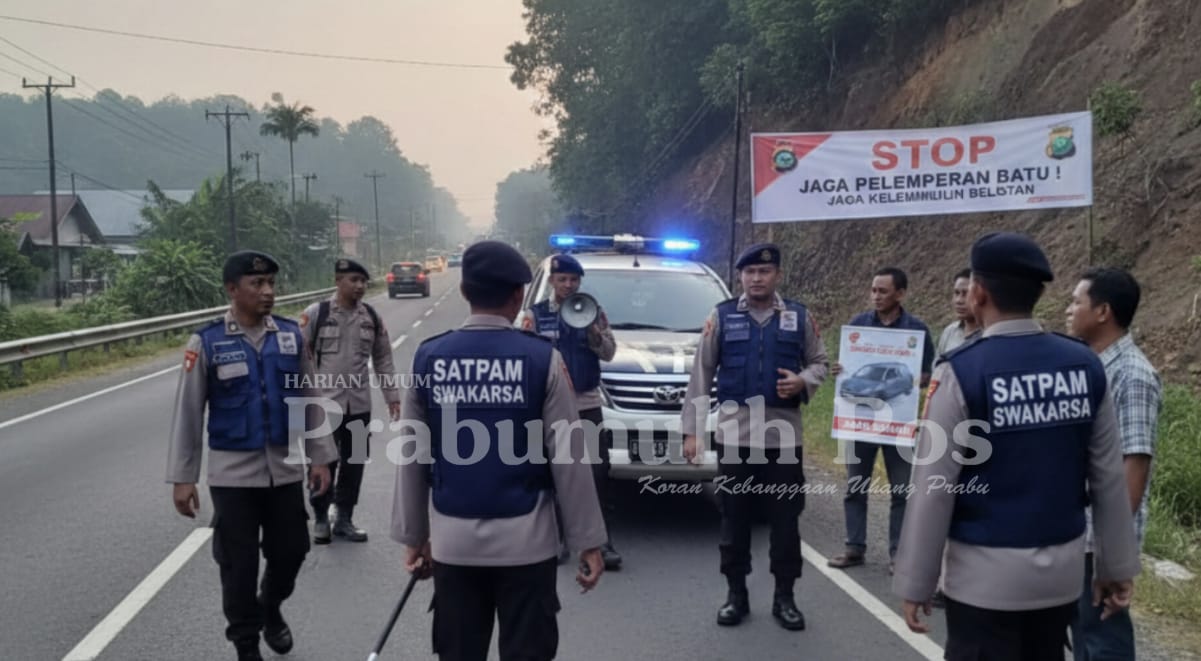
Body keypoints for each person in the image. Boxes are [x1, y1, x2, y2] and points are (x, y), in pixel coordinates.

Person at [892, 232, 1140, 661]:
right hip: (1060, 578)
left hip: (983, 581)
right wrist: (1115, 567)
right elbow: (1108, 478)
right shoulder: (1085, 365)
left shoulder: (962, 372)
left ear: (978, 293)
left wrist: (916, 582)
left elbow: (934, 488)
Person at [392, 240, 607, 661]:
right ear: (516, 296)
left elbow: (412, 456)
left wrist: (415, 535)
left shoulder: (429, 357)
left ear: (464, 291)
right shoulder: (541, 359)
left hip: (453, 543)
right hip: (527, 545)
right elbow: (569, 459)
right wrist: (588, 541)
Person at [167, 250, 336, 661]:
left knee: (292, 551)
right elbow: (188, 412)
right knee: (237, 567)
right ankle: (246, 645)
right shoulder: (207, 342)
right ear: (232, 290)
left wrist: (320, 457)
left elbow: (310, 397)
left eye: (271, 284)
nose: (268, 292)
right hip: (232, 478)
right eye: (257, 284)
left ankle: (271, 607)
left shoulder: (290, 336)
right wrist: (183, 476)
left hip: (284, 470)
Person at [681, 242, 828, 631]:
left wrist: (803, 380)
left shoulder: (799, 316)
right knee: (735, 518)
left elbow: (821, 363)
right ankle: (736, 594)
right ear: (740, 277)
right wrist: (692, 430)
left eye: (764, 272)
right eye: (750, 273)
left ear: (776, 274)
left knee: (785, 520)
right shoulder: (723, 316)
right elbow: (701, 373)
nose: (757, 278)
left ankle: (785, 597)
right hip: (735, 435)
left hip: (783, 438)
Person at [1066, 267, 1162, 660]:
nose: (1068, 310)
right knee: (1086, 637)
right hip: (1080, 533)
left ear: (1103, 311)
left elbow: (1133, 465)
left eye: (1077, 302)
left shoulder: (1132, 375)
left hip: (1099, 540)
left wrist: (1112, 553)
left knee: (1104, 641)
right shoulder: (1093, 367)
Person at [828, 266, 935, 574]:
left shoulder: (917, 330)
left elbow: (928, 373)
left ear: (900, 294)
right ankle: (854, 547)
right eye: (873, 290)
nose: (875, 296)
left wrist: (917, 378)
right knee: (855, 485)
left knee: (901, 490)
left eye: (883, 291)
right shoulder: (859, 324)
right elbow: (847, 366)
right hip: (859, 423)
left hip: (897, 425)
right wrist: (840, 370)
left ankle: (899, 554)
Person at [520, 253, 622, 569]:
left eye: (573, 280)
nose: (568, 285)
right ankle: (556, 538)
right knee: (551, 471)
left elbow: (609, 353)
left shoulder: (594, 312)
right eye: (562, 279)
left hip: (587, 402)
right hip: (549, 407)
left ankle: (600, 542)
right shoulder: (535, 316)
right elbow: (525, 358)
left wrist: (594, 332)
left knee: (596, 472)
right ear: (551, 280)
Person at [299, 258, 401, 544]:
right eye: (353, 280)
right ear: (337, 281)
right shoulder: (315, 314)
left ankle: (344, 518)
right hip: (323, 406)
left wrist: (392, 396)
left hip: (358, 405)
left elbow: (383, 358)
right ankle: (320, 516)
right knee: (322, 461)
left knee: (354, 463)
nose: (359, 286)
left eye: (363, 281)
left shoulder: (371, 317)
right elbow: (297, 357)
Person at [937, 268, 981, 356]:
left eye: (966, 294)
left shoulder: (989, 335)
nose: (959, 300)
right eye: (957, 293)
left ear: (980, 295)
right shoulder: (949, 332)